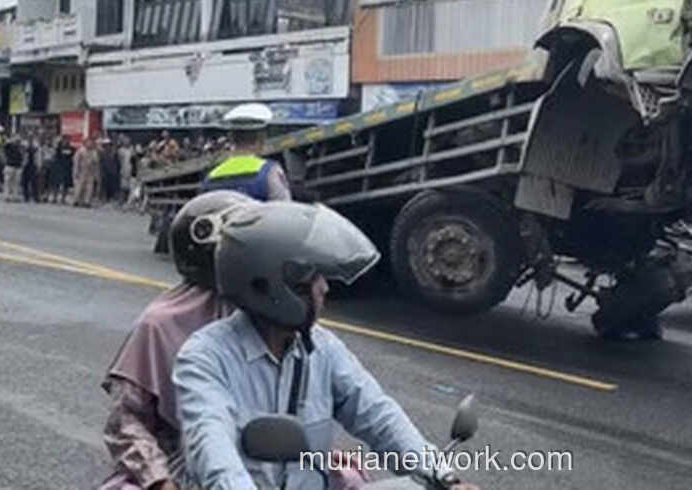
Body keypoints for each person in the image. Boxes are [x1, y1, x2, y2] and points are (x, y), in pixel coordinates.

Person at [173, 201, 478, 490]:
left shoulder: (322, 348)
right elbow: (211, 447)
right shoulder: (205, 358)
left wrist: (444, 478)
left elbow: (377, 414)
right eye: (313, 276)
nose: (324, 287)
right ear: (273, 284)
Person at [99, 192, 252, 490]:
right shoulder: (161, 323)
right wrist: (159, 480)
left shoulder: (278, 318)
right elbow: (124, 419)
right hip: (180, 467)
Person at [199, 103, 290, 200]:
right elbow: (284, 209)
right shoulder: (270, 172)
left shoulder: (212, 177)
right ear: (261, 138)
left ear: (231, 138)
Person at [73, 136, 101, 207]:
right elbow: (76, 161)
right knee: (79, 187)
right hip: (81, 170)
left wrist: (96, 174)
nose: (90, 144)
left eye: (91, 143)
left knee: (89, 188)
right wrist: (76, 171)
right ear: (85, 143)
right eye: (88, 142)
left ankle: (87, 201)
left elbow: (96, 163)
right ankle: (76, 200)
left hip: (90, 172)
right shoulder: (81, 151)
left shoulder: (94, 152)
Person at [2, 130, 24, 202]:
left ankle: (15, 196)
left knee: (16, 182)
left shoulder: (21, 147)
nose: (17, 139)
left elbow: (23, 155)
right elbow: (4, 146)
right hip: (9, 165)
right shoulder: (9, 145)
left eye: (18, 138)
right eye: (16, 138)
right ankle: (7, 196)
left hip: (18, 166)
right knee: (7, 181)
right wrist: (10, 140)